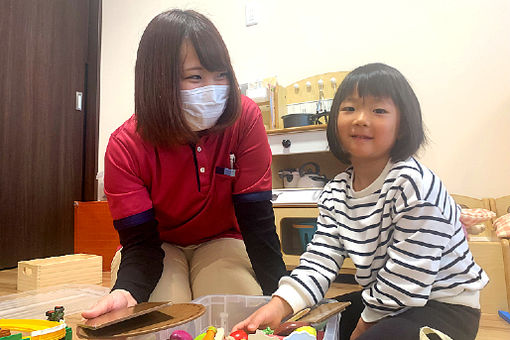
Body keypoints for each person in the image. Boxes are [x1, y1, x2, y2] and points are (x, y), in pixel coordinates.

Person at [232, 63, 488, 340]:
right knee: (312, 321)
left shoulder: (414, 184)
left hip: (443, 307)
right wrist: (280, 304)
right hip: (385, 296)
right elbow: (320, 260)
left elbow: (408, 277)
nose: (360, 119)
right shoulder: (335, 192)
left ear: (402, 126)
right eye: (349, 108)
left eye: (378, 110)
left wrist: (364, 326)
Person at [82, 9, 287, 319]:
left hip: (223, 240)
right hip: (160, 247)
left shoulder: (245, 118)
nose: (215, 87)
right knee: (164, 317)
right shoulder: (124, 146)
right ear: (159, 81)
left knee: (235, 314)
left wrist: (280, 295)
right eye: (196, 76)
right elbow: (140, 245)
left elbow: (257, 221)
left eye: (221, 75)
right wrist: (127, 290)